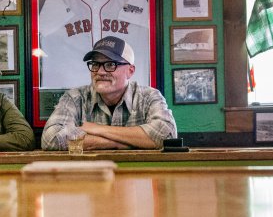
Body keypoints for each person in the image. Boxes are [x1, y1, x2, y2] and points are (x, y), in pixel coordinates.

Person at [41, 35, 177, 151]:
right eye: (95, 64)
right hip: (91, 173)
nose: (100, 72)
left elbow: (167, 135)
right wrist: (122, 143)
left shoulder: (149, 97)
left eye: (110, 64)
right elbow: (50, 139)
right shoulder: (75, 97)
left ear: (130, 71)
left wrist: (97, 129)